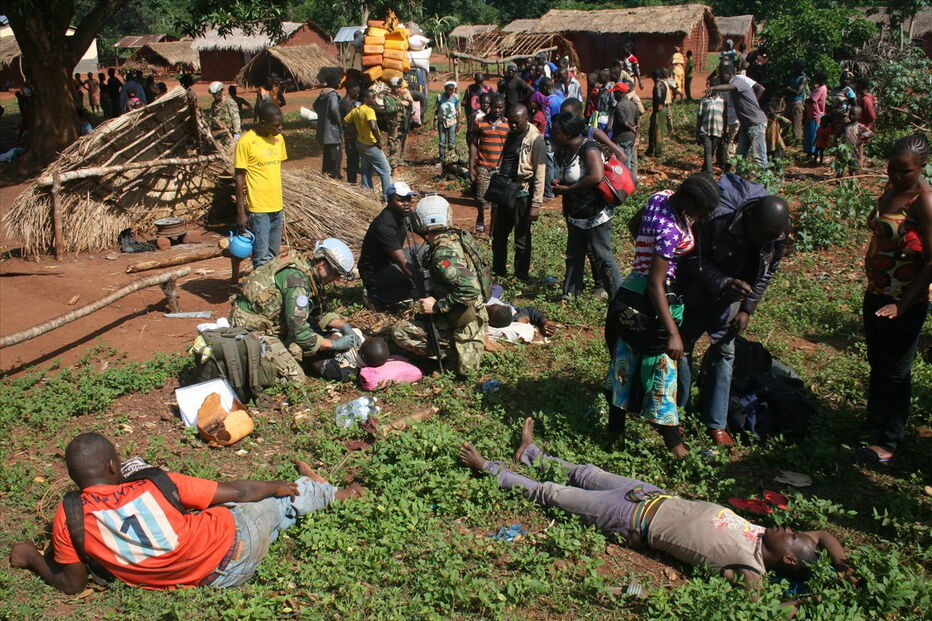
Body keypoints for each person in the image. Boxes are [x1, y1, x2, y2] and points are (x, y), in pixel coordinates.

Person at [460, 418, 857, 596]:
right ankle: (531, 453)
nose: (787, 528)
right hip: (649, 494)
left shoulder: (751, 571)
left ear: (788, 561)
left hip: (628, 518)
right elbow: (823, 535)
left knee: (554, 494)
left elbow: (772, 607)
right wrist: (841, 567)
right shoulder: (762, 538)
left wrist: (813, 596)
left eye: (791, 537)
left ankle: (488, 468)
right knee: (583, 470)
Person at [9, 432, 358, 592]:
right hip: (234, 544)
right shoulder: (155, 484)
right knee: (274, 503)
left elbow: (71, 583)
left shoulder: (69, 514)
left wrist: (31, 557)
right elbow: (236, 491)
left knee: (267, 515)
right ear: (115, 465)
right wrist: (274, 486)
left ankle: (306, 490)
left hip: (210, 581)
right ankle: (332, 492)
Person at [604, 174, 720, 456]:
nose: (701, 218)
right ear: (692, 202)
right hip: (651, 300)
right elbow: (656, 283)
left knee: (624, 363)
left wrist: (644, 253)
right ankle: (676, 447)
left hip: (631, 289)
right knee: (662, 372)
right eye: (702, 212)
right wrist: (672, 332)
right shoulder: (669, 230)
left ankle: (614, 431)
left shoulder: (661, 197)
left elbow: (635, 224)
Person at [677, 174, 790, 447]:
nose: (760, 243)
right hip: (696, 287)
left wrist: (747, 309)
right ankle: (678, 412)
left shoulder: (777, 232)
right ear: (749, 219)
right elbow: (691, 257)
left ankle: (716, 423)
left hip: (733, 294)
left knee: (724, 353)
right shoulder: (716, 218)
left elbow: (768, 270)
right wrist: (724, 282)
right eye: (756, 237)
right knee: (681, 348)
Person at [859, 134, 932, 464]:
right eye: (891, 168)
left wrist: (903, 304)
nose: (896, 175)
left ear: (921, 167)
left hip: (907, 299)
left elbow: (931, 260)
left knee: (897, 370)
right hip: (877, 291)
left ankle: (889, 443)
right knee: (877, 359)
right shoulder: (891, 191)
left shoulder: (924, 201)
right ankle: (874, 420)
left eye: (905, 171)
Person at [230, 239, 360, 375]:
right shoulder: (297, 282)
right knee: (295, 375)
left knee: (317, 338)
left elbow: (318, 310)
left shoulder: (307, 269)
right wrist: (333, 344)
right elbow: (299, 333)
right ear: (322, 264)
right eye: (336, 273)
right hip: (251, 325)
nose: (338, 278)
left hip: (272, 316)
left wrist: (344, 327)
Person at [391, 195, 488, 376]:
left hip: (464, 323)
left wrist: (436, 306)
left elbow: (470, 289)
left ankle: (450, 353)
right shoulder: (457, 238)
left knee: (400, 332)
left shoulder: (441, 255)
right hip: (472, 315)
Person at [552, 112, 623, 301]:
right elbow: (572, 174)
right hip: (576, 214)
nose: (552, 135)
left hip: (595, 213)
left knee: (602, 256)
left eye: (556, 132)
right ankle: (570, 293)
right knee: (574, 256)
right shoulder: (566, 150)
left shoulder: (588, 148)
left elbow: (596, 176)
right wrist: (562, 182)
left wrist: (567, 189)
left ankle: (619, 298)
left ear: (567, 133)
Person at [492, 105, 546, 281]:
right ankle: (498, 270)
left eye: (516, 122)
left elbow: (540, 173)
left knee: (521, 237)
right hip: (504, 191)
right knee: (499, 234)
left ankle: (521, 274)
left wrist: (536, 204)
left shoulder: (535, 140)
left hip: (522, 193)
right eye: (511, 122)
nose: (513, 125)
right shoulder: (511, 134)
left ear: (526, 119)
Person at [234, 103, 286, 274]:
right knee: (261, 256)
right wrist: (241, 211)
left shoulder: (278, 139)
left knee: (273, 253)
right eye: (276, 125)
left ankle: (270, 290)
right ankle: (260, 293)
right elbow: (239, 176)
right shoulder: (246, 142)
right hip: (259, 208)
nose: (280, 128)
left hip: (277, 206)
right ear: (263, 123)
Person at [359, 182, 420, 311]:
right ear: (389, 200)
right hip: (375, 269)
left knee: (425, 251)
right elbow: (401, 260)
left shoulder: (406, 214)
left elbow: (425, 233)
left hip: (391, 259)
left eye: (408, 199)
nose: (406, 203)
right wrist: (422, 282)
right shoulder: (384, 225)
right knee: (414, 284)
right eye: (400, 200)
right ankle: (376, 297)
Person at [710, 62, 767, 167]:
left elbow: (731, 87)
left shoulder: (738, 81)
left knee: (760, 158)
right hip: (746, 124)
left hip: (756, 124)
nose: (720, 77)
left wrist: (714, 88)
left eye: (721, 75)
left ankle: (764, 182)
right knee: (740, 157)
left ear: (727, 74)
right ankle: (738, 180)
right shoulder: (736, 83)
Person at [344, 88, 393, 201]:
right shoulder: (369, 111)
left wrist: (354, 132)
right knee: (385, 170)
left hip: (360, 143)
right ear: (366, 99)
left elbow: (345, 121)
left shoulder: (356, 110)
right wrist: (378, 141)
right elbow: (373, 126)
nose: (374, 100)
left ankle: (367, 193)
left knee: (366, 169)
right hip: (371, 144)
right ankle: (388, 197)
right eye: (372, 98)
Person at [469, 94, 509, 233]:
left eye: (500, 107)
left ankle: (493, 228)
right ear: (489, 107)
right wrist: (471, 166)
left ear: (504, 108)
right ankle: (480, 217)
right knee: (480, 198)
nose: (497, 110)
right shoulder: (480, 122)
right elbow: (473, 144)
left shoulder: (507, 125)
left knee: (497, 202)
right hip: (483, 167)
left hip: (499, 169)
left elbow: (509, 148)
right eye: (494, 107)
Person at [313, 68, 344, 178]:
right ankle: (334, 176)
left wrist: (323, 116)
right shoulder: (333, 95)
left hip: (323, 130)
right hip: (332, 131)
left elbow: (315, 106)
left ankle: (326, 175)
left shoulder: (323, 94)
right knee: (335, 156)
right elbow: (334, 108)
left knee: (327, 155)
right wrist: (339, 121)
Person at [610, 82, 639, 182]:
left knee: (622, 163)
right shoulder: (632, 104)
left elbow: (624, 122)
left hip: (622, 138)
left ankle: (626, 183)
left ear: (621, 93)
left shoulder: (619, 107)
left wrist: (631, 128)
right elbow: (638, 121)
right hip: (631, 138)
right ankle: (631, 181)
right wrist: (636, 135)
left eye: (615, 93)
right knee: (629, 160)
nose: (613, 95)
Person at [697, 78, 727, 173]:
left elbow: (724, 116)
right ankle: (709, 175)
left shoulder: (722, 101)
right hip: (705, 130)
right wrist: (697, 133)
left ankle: (704, 170)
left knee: (711, 153)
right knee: (708, 153)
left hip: (718, 131)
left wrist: (725, 131)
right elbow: (699, 117)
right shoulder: (704, 100)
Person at [339, 81, 361, 184]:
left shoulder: (348, 102)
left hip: (351, 135)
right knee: (352, 160)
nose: (357, 93)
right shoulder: (346, 104)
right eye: (356, 91)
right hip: (350, 136)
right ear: (350, 90)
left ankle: (352, 180)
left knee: (354, 160)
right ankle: (352, 181)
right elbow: (351, 120)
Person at [841, 106, 873, 173]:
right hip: (844, 149)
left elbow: (870, 134)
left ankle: (853, 179)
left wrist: (861, 140)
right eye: (850, 114)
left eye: (853, 114)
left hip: (854, 150)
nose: (851, 116)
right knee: (841, 165)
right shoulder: (845, 125)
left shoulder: (860, 126)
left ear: (859, 116)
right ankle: (838, 179)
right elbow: (839, 134)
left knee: (853, 166)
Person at [804, 71, 828, 159]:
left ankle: (813, 153)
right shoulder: (818, 88)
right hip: (811, 114)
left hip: (816, 115)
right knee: (810, 134)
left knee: (814, 134)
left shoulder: (821, 89)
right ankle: (809, 152)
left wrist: (806, 100)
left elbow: (812, 100)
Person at [435, 81, 459, 166]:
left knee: (451, 141)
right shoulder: (440, 97)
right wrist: (435, 121)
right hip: (442, 121)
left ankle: (450, 159)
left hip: (452, 121)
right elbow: (437, 109)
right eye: (449, 90)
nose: (450, 92)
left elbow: (457, 111)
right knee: (442, 141)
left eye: (452, 90)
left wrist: (458, 123)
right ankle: (442, 159)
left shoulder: (455, 98)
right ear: (445, 89)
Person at [463, 72, 492, 145]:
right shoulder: (470, 88)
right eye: (477, 82)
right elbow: (465, 103)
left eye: (480, 82)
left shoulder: (488, 89)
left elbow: (494, 100)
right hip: (473, 116)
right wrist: (468, 116)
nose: (479, 84)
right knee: (472, 135)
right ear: (474, 79)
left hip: (485, 116)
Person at [645, 70, 669, 158]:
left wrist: (659, 104)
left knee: (658, 132)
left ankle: (658, 152)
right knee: (652, 130)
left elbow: (659, 95)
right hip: (659, 110)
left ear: (653, 77)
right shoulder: (663, 83)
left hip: (658, 111)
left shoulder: (658, 85)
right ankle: (651, 149)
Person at [785, 61, 808, 145]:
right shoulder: (792, 76)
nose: (793, 68)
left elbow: (798, 92)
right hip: (789, 102)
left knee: (797, 124)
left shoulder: (803, 78)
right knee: (785, 122)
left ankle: (797, 141)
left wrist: (789, 89)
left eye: (795, 67)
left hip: (797, 103)